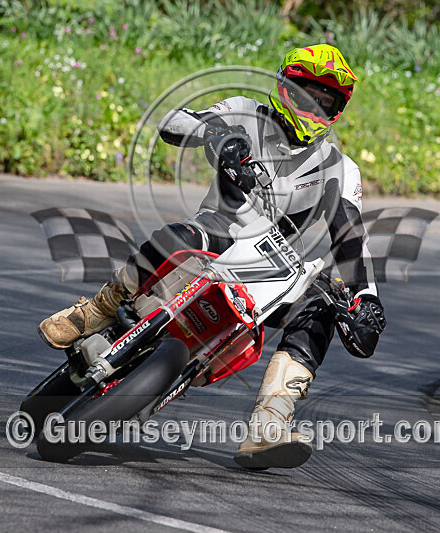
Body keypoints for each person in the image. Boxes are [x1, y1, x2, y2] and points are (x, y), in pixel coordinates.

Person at [38, 44, 386, 469]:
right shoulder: (243, 111)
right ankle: (95, 310)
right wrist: (223, 139)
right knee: (180, 235)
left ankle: (270, 421)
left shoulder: (340, 168)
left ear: (338, 108)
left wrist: (367, 301)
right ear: (284, 86)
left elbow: (350, 237)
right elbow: (173, 123)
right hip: (214, 235)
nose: (314, 105)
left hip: (271, 275)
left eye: (325, 99)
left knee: (320, 305)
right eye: (306, 92)